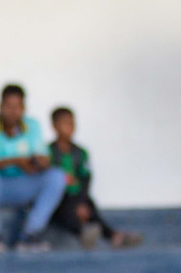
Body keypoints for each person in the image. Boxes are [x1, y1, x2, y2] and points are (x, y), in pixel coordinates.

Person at [0, 84, 65, 252]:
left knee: (56, 177)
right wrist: (15, 161)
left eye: (18, 107)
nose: (13, 112)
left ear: (24, 108)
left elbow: (43, 159)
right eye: (9, 107)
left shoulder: (32, 125)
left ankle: (30, 236)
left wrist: (35, 163)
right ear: (0, 106)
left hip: (22, 186)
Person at [47, 107, 141, 250]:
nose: (69, 128)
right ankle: (82, 233)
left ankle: (113, 236)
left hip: (77, 195)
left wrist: (81, 201)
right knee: (64, 210)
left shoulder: (80, 152)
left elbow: (85, 178)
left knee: (89, 207)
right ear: (54, 126)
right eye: (65, 123)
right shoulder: (48, 152)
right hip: (58, 198)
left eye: (72, 123)